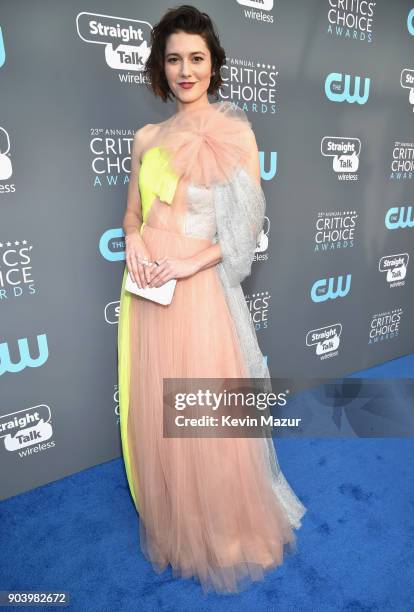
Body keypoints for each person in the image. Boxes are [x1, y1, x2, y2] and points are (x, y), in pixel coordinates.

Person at [117, 4, 306, 594]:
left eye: (196, 58)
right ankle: (175, 523)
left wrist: (185, 262)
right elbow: (131, 212)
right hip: (147, 291)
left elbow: (242, 236)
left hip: (197, 293)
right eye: (174, 59)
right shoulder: (146, 136)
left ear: (213, 65)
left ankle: (222, 531)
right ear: (160, 68)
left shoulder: (237, 134)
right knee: (158, 412)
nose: (185, 69)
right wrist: (130, 242)